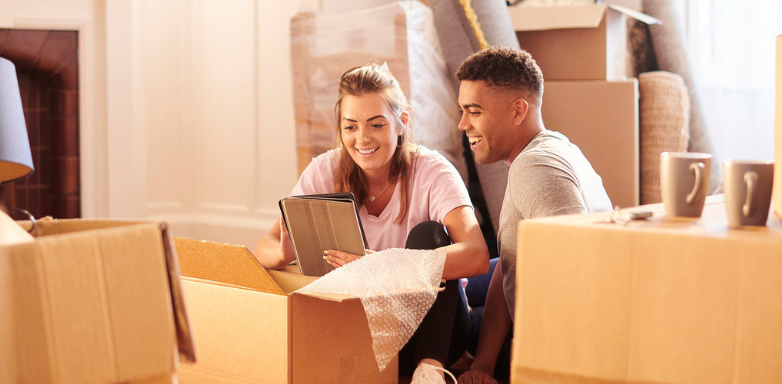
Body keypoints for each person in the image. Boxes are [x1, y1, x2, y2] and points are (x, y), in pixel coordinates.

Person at [254, 64, 490, 382]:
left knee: (430, 233)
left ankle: (430, 371)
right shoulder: (323, 171)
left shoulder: (433, 172)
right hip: (361, 332)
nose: (362, 138)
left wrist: (385, 264)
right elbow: (262, 249)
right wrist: (283, 254)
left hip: (432, 333)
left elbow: (476, 255)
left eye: (376, 124)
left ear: (401, 123)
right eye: (350, 127)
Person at [455, 47, 613, 384]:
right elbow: (512, 264)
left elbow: (576, 273)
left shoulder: (534, 166)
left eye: (474, 111)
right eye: (463, 111)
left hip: (548, 347)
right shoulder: (560, 147)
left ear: (518, 111)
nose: (463, 123)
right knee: (477, 281)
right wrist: (481, 363)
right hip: (535, 318)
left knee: (453, 312)